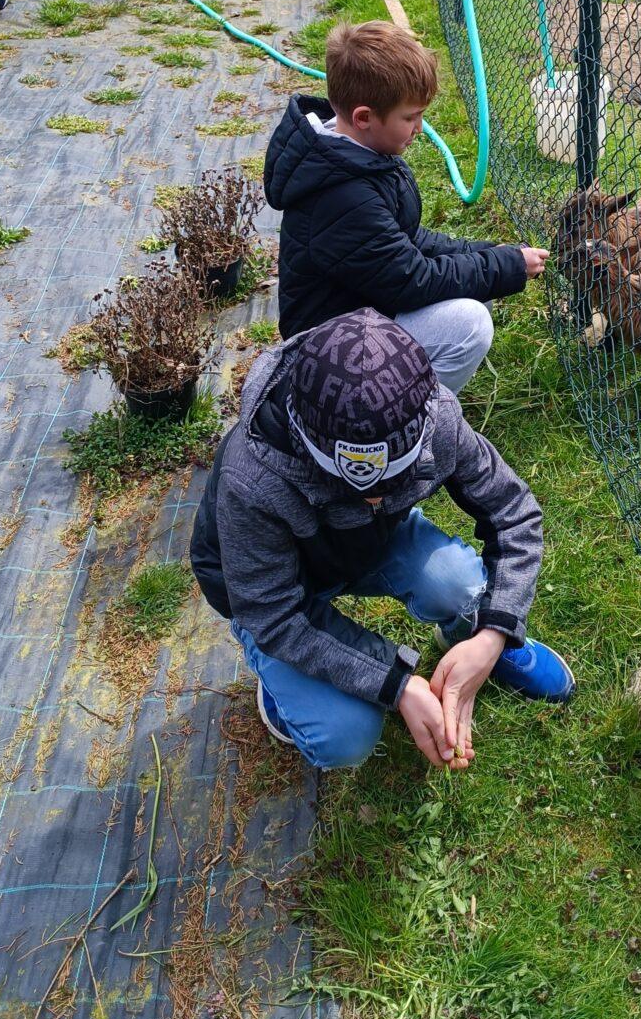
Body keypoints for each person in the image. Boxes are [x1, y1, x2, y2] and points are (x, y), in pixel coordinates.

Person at [190, 308, 575, 770]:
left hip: (365, 546)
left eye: (394, 481)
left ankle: (469, 638)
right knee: (345, 735)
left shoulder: (436, 416)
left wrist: (495, 633)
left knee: (457, 582)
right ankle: (284, 692)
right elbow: (274, 615)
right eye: (356, 487)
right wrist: (397, 683)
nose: (375, 498)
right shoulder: (251, 478)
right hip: (269, 590)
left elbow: (513, 512)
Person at [264, 20, 548, 390]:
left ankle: (405, 397)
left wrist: (490, 253)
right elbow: (412, 279)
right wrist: (506, 265)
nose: (420, 127)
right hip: (329, 354)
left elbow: (406, 239)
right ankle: (406, 419)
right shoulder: (342, 194)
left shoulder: (356, 155)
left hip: (357, 315)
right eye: (411, 117)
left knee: (475, 289)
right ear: (364, 118)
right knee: (469, 323)